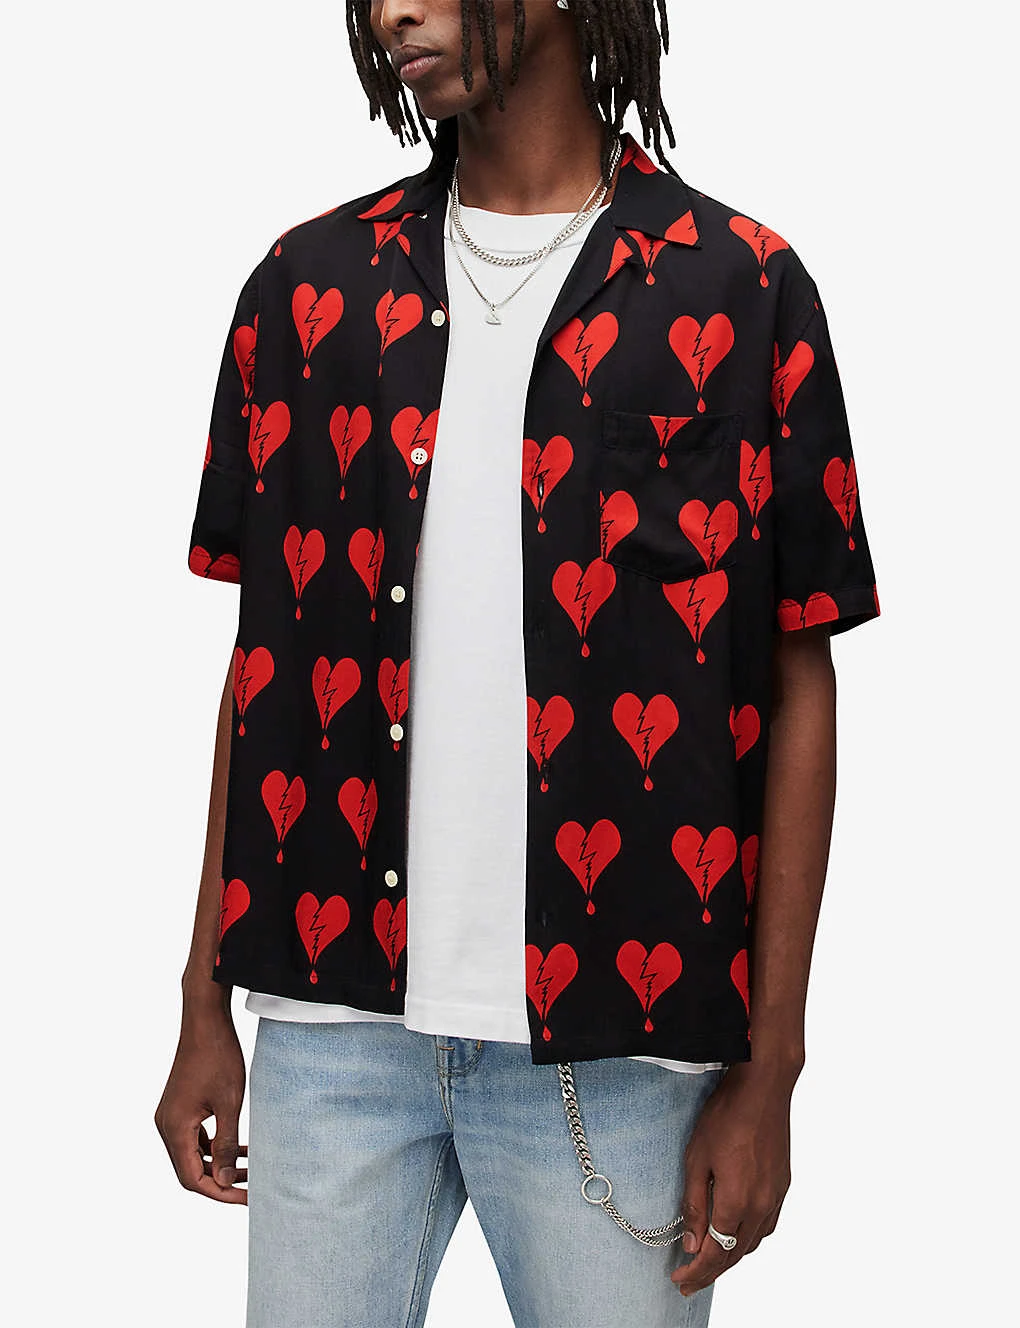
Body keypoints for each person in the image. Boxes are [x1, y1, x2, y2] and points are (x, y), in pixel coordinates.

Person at [155, 2, 881, 1325]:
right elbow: (262, 668)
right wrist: (204, 1001)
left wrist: (771, 1069)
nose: (392, 11)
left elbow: (798, 685)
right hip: (332, 1035)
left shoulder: (741, 286)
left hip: (620, 1050)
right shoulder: (306, 291)